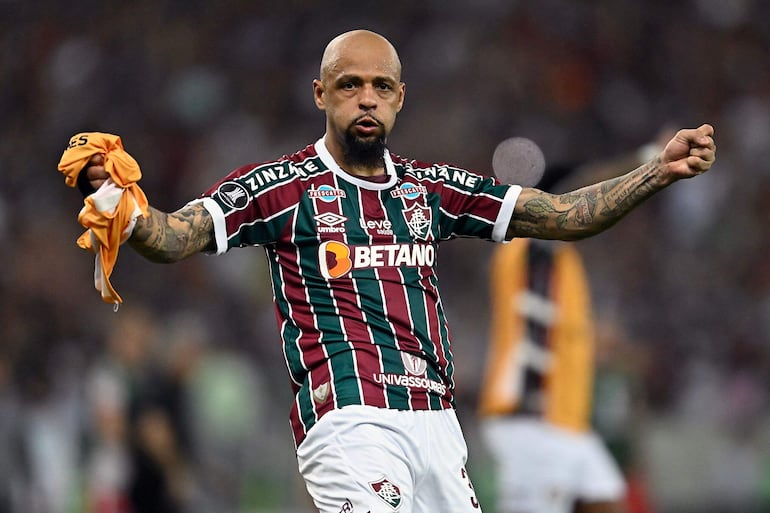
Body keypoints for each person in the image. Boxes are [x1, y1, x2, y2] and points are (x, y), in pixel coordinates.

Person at [68, 29, 716, 513]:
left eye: (381, 86)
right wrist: (119, 207)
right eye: (350, 85)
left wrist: (658, 171)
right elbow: (174, 234)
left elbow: (566, 214)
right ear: (321, 94)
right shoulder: (283, 188)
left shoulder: (429, 190)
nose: (366, 99)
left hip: (437, 424)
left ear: (401, 97)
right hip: (349, 419)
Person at [476, 136, 672, 513]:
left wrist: (610, 348)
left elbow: (564, 336)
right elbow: (575, 190)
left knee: (608, 502)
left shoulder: (563, 265)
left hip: (567, 422)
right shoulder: (529, 241)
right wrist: (648, 160)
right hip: (531, 420)